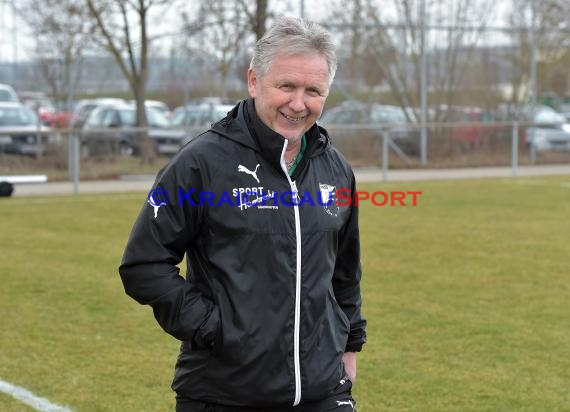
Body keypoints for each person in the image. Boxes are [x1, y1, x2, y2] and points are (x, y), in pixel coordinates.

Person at [119, 16, 366, 411]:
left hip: (323, 391)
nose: (298, 103)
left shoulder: (335, 168)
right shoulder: (201, 163)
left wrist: (349, 343)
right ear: (254, 81)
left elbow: (344, 270)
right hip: (225, 393)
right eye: (286, 85)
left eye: (313, 90)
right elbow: (143, 265)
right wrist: (218, 329)